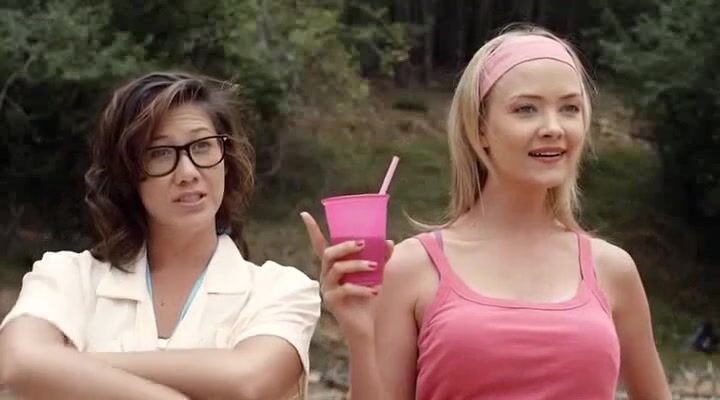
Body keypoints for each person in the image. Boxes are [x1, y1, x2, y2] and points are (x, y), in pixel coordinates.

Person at [302, 25, 672, 399]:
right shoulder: (412, 268)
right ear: (479, 128)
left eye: (569, 108)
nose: (553, 127)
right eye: (526, 109)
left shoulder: (613, 270)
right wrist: (359, 333)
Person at [0, 71, 321, 400]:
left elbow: (248, 380)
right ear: (127, 173)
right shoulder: (68, 277)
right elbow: (17, 362)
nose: (187, 172)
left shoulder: (280, 290)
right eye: (159, 153)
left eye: (202, 146)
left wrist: (65, 365)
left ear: (226, 160)